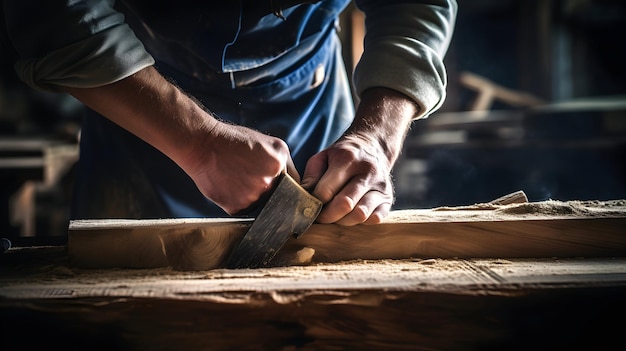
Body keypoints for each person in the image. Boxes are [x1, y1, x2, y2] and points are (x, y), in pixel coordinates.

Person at [3, 0, 457, 226]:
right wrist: (197, 142)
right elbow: (55, 13)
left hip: (309, 90)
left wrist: (375, 138)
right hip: (134, 93)